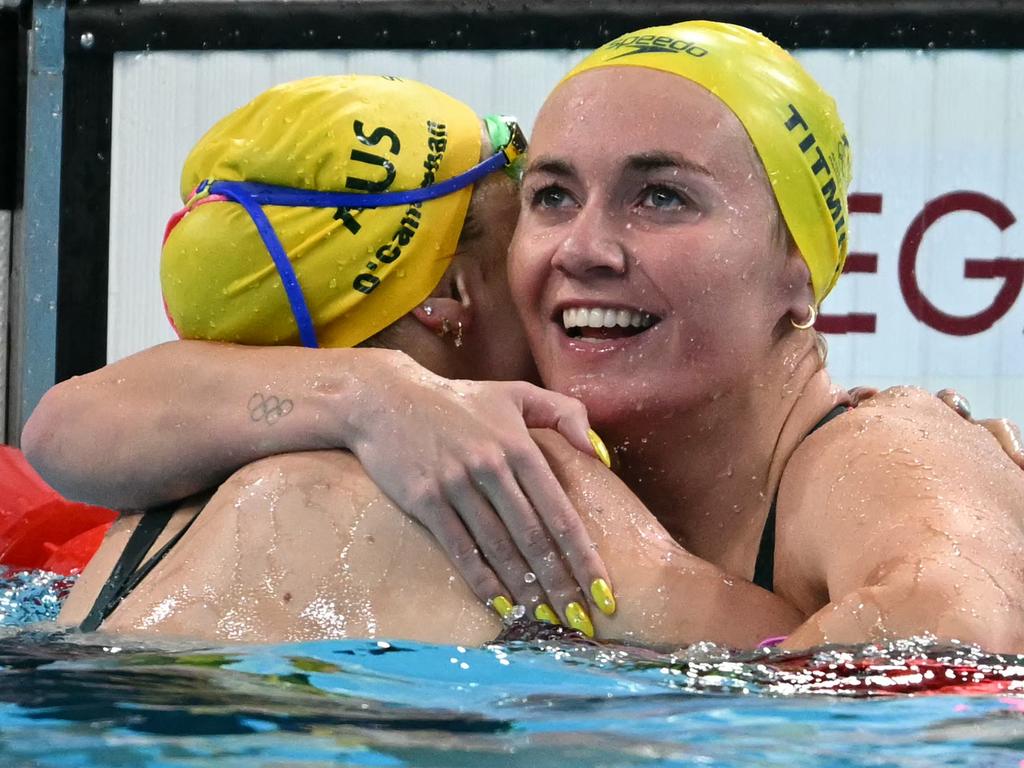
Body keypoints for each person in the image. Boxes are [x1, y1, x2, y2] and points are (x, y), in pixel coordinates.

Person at [33, 23, 1024, 650]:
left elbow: (957, 642)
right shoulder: (455, 449)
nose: (584, 246)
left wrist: (637, 586)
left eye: (661, 196)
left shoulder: (885, 458)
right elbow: (63, 427)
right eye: (550, 197)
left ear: (797, 272)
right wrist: (377, 397)